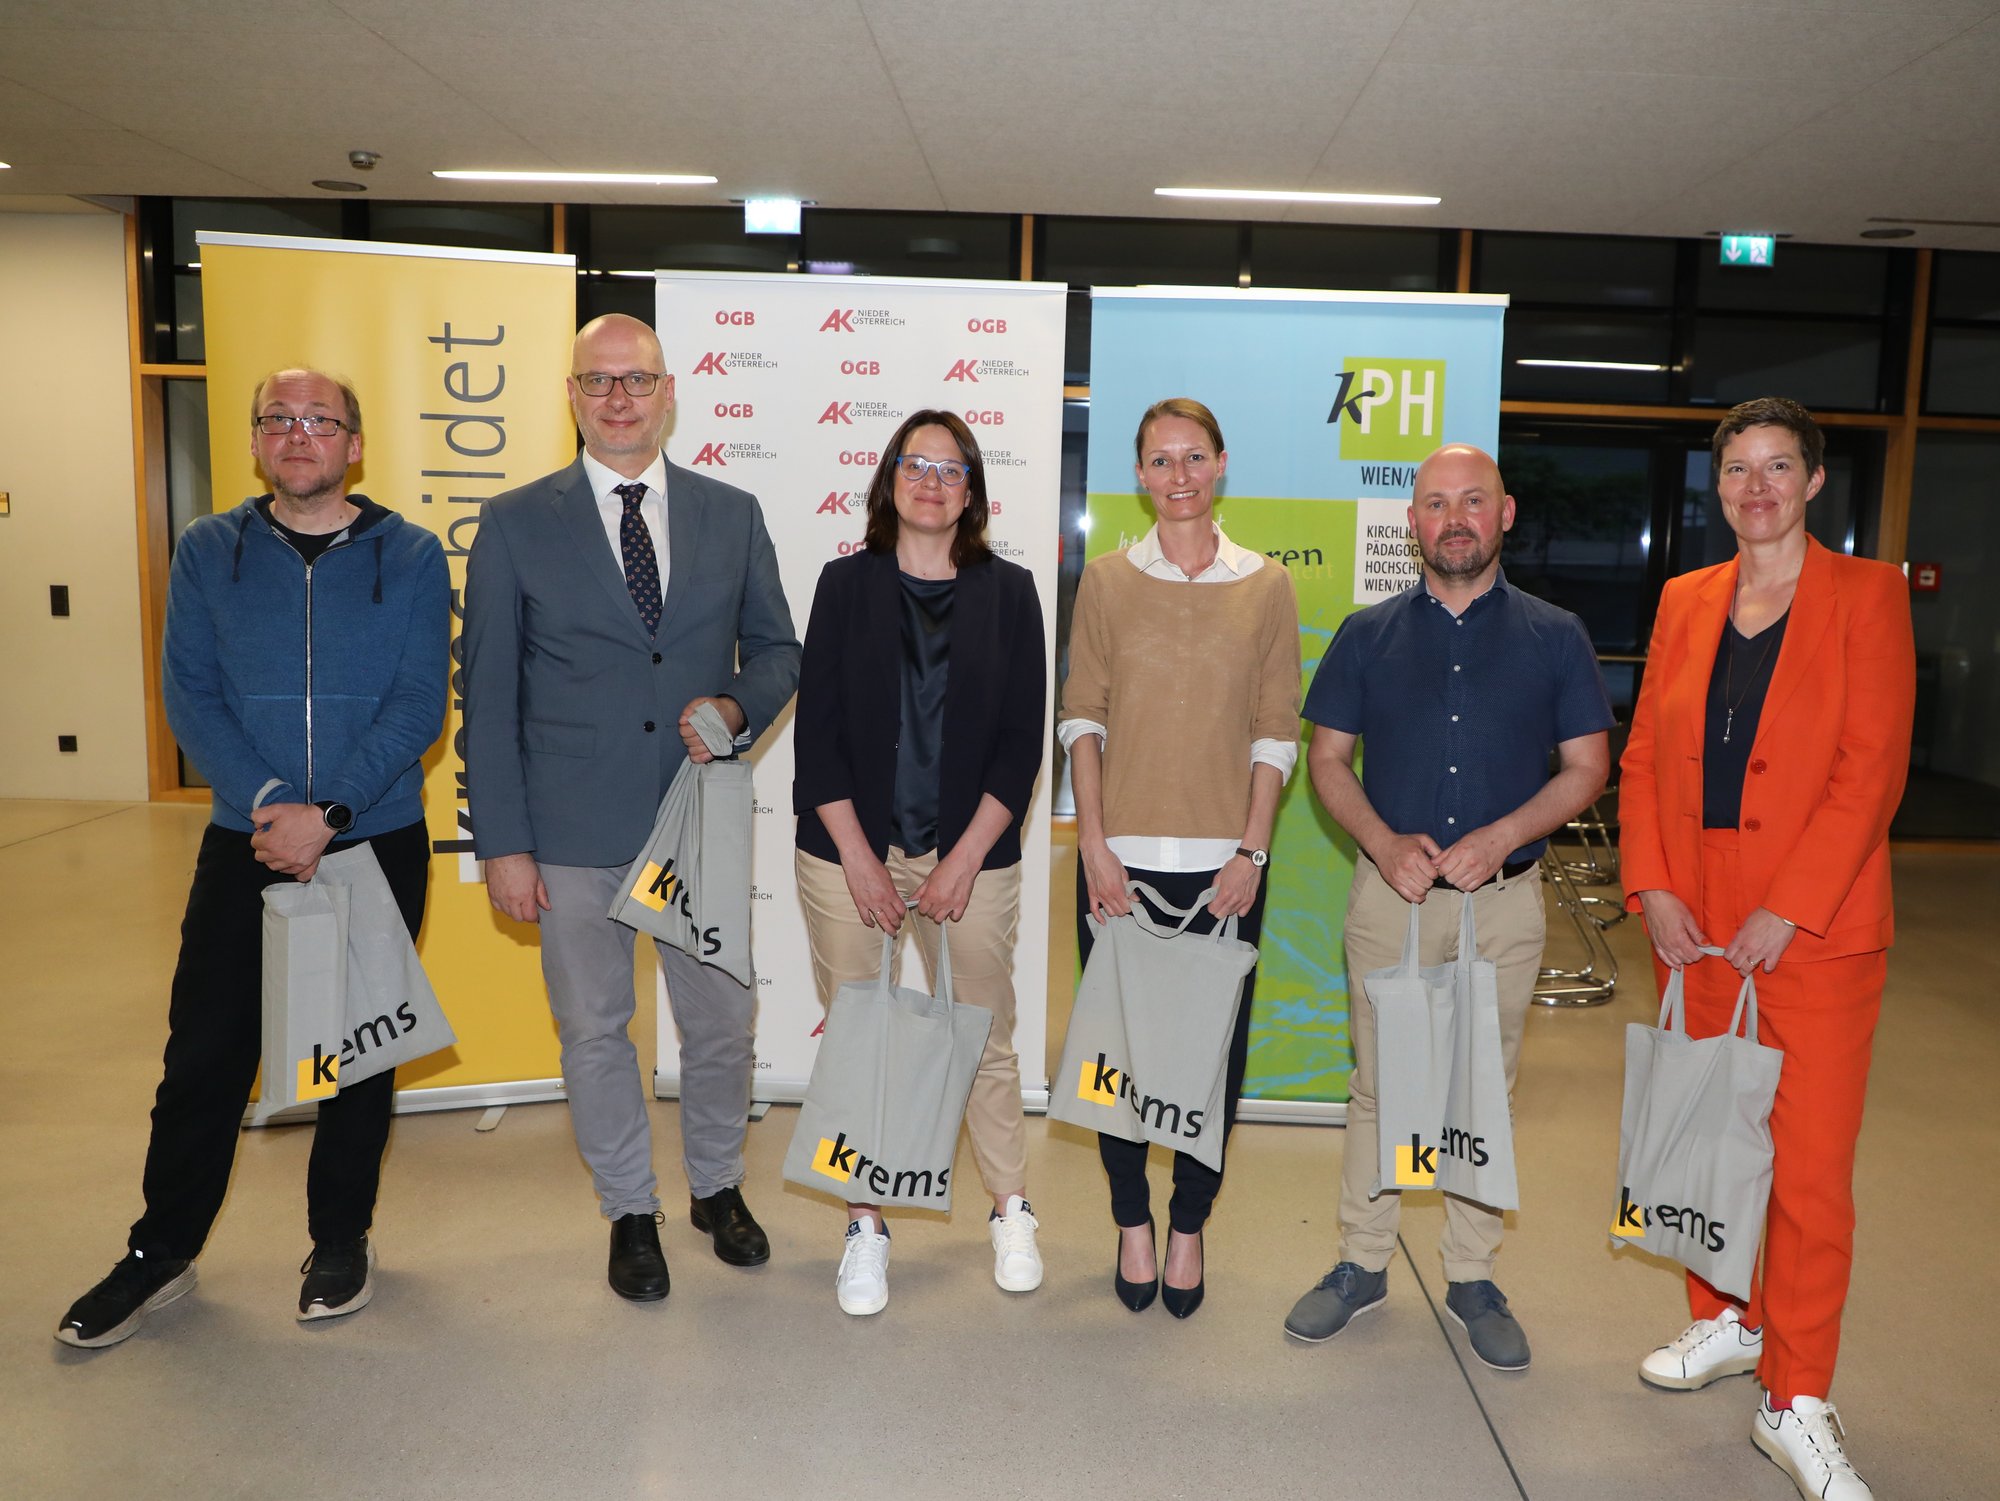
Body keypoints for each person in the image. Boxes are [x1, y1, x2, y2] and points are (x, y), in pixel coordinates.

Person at [56, 369, 449, 1347]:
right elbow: (189, 692)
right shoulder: (206, 549)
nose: (299, 435)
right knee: (205, 1054)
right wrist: (276, 805)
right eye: (279, 419)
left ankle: (339, 1241)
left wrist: (335, 810)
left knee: (360, 1058)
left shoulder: (407, 553)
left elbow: (417, 703)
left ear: (354, 444)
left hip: (374, 833)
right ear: (257, 440)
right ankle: (160, 1251)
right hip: (248, 838)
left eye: (320, 420)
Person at [462, 315, 800, 1302]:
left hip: (696, 819)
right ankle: (629, 1208)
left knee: (722, 1024)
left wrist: (736, 707)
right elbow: (486, 693)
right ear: (571, 395)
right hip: (567, 831)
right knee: (595, 1030)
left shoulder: (730, 514)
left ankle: (715, 1186)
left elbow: (778, 650)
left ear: (668, 394)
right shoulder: (518, 520)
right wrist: (506, 845)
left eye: (636, 380)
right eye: (598, 382)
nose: (618, 399)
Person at [1619, 398, 1913, 1501]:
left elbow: (1868, 767)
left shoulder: (1863, 596)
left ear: (1812, 480)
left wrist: (1785, 909)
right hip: (1691, 926)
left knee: (1806, 1174)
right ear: (1716, 485)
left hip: (1815, 932)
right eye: (1736, 469)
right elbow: (1644, 752)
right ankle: (1722, 1319)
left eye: (1775, 467)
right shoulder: (1685, 598)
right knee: (1704, 1136)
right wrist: (1649, 883)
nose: (1755, 488)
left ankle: (1795, 1397)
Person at [1283, 442, 1611, 1371]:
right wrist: (1384, 844)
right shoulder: (1366, 632)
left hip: (1502, 908)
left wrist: (1503, 834)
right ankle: (1360, 1263)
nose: (1454, 517)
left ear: (1505, 514)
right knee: (1380, 1085)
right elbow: (1327, 762)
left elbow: (1588, 768)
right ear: (1412, 521)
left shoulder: (1557, 635)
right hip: (1392, 902)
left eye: (1474, 500)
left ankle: (1471, 1275)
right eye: (1435, 504)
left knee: (1482, 1086)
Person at [791, 411, 1047, 1316]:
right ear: (889, 479)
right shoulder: (842, 584)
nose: (931, 480)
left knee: (983, 1036)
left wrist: (962, 860)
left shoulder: (1011, 592)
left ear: (971, 491)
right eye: (916, 463)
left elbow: (1020, 746)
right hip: (844, 851)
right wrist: (861, 858)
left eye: (950, 468)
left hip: (971, 855)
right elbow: (814, 737)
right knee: (860, 1038)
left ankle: (1011, 1207)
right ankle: (867, 1223)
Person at [1058, 397, 1301, 1320]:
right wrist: (1095, 842)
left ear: (1222, 463)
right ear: (1141, 476)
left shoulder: (1265, 583)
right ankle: (1130, 1220)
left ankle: (1189, 1221)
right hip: (1118, 860)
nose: (1179, 475)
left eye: (1194, 457)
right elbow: (1083, 714)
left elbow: (1277, 728)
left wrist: (1253, 850)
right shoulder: (1110, 581)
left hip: (1227, 865)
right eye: (1160, 460)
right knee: (1117, 1055)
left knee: (1210, 1058)